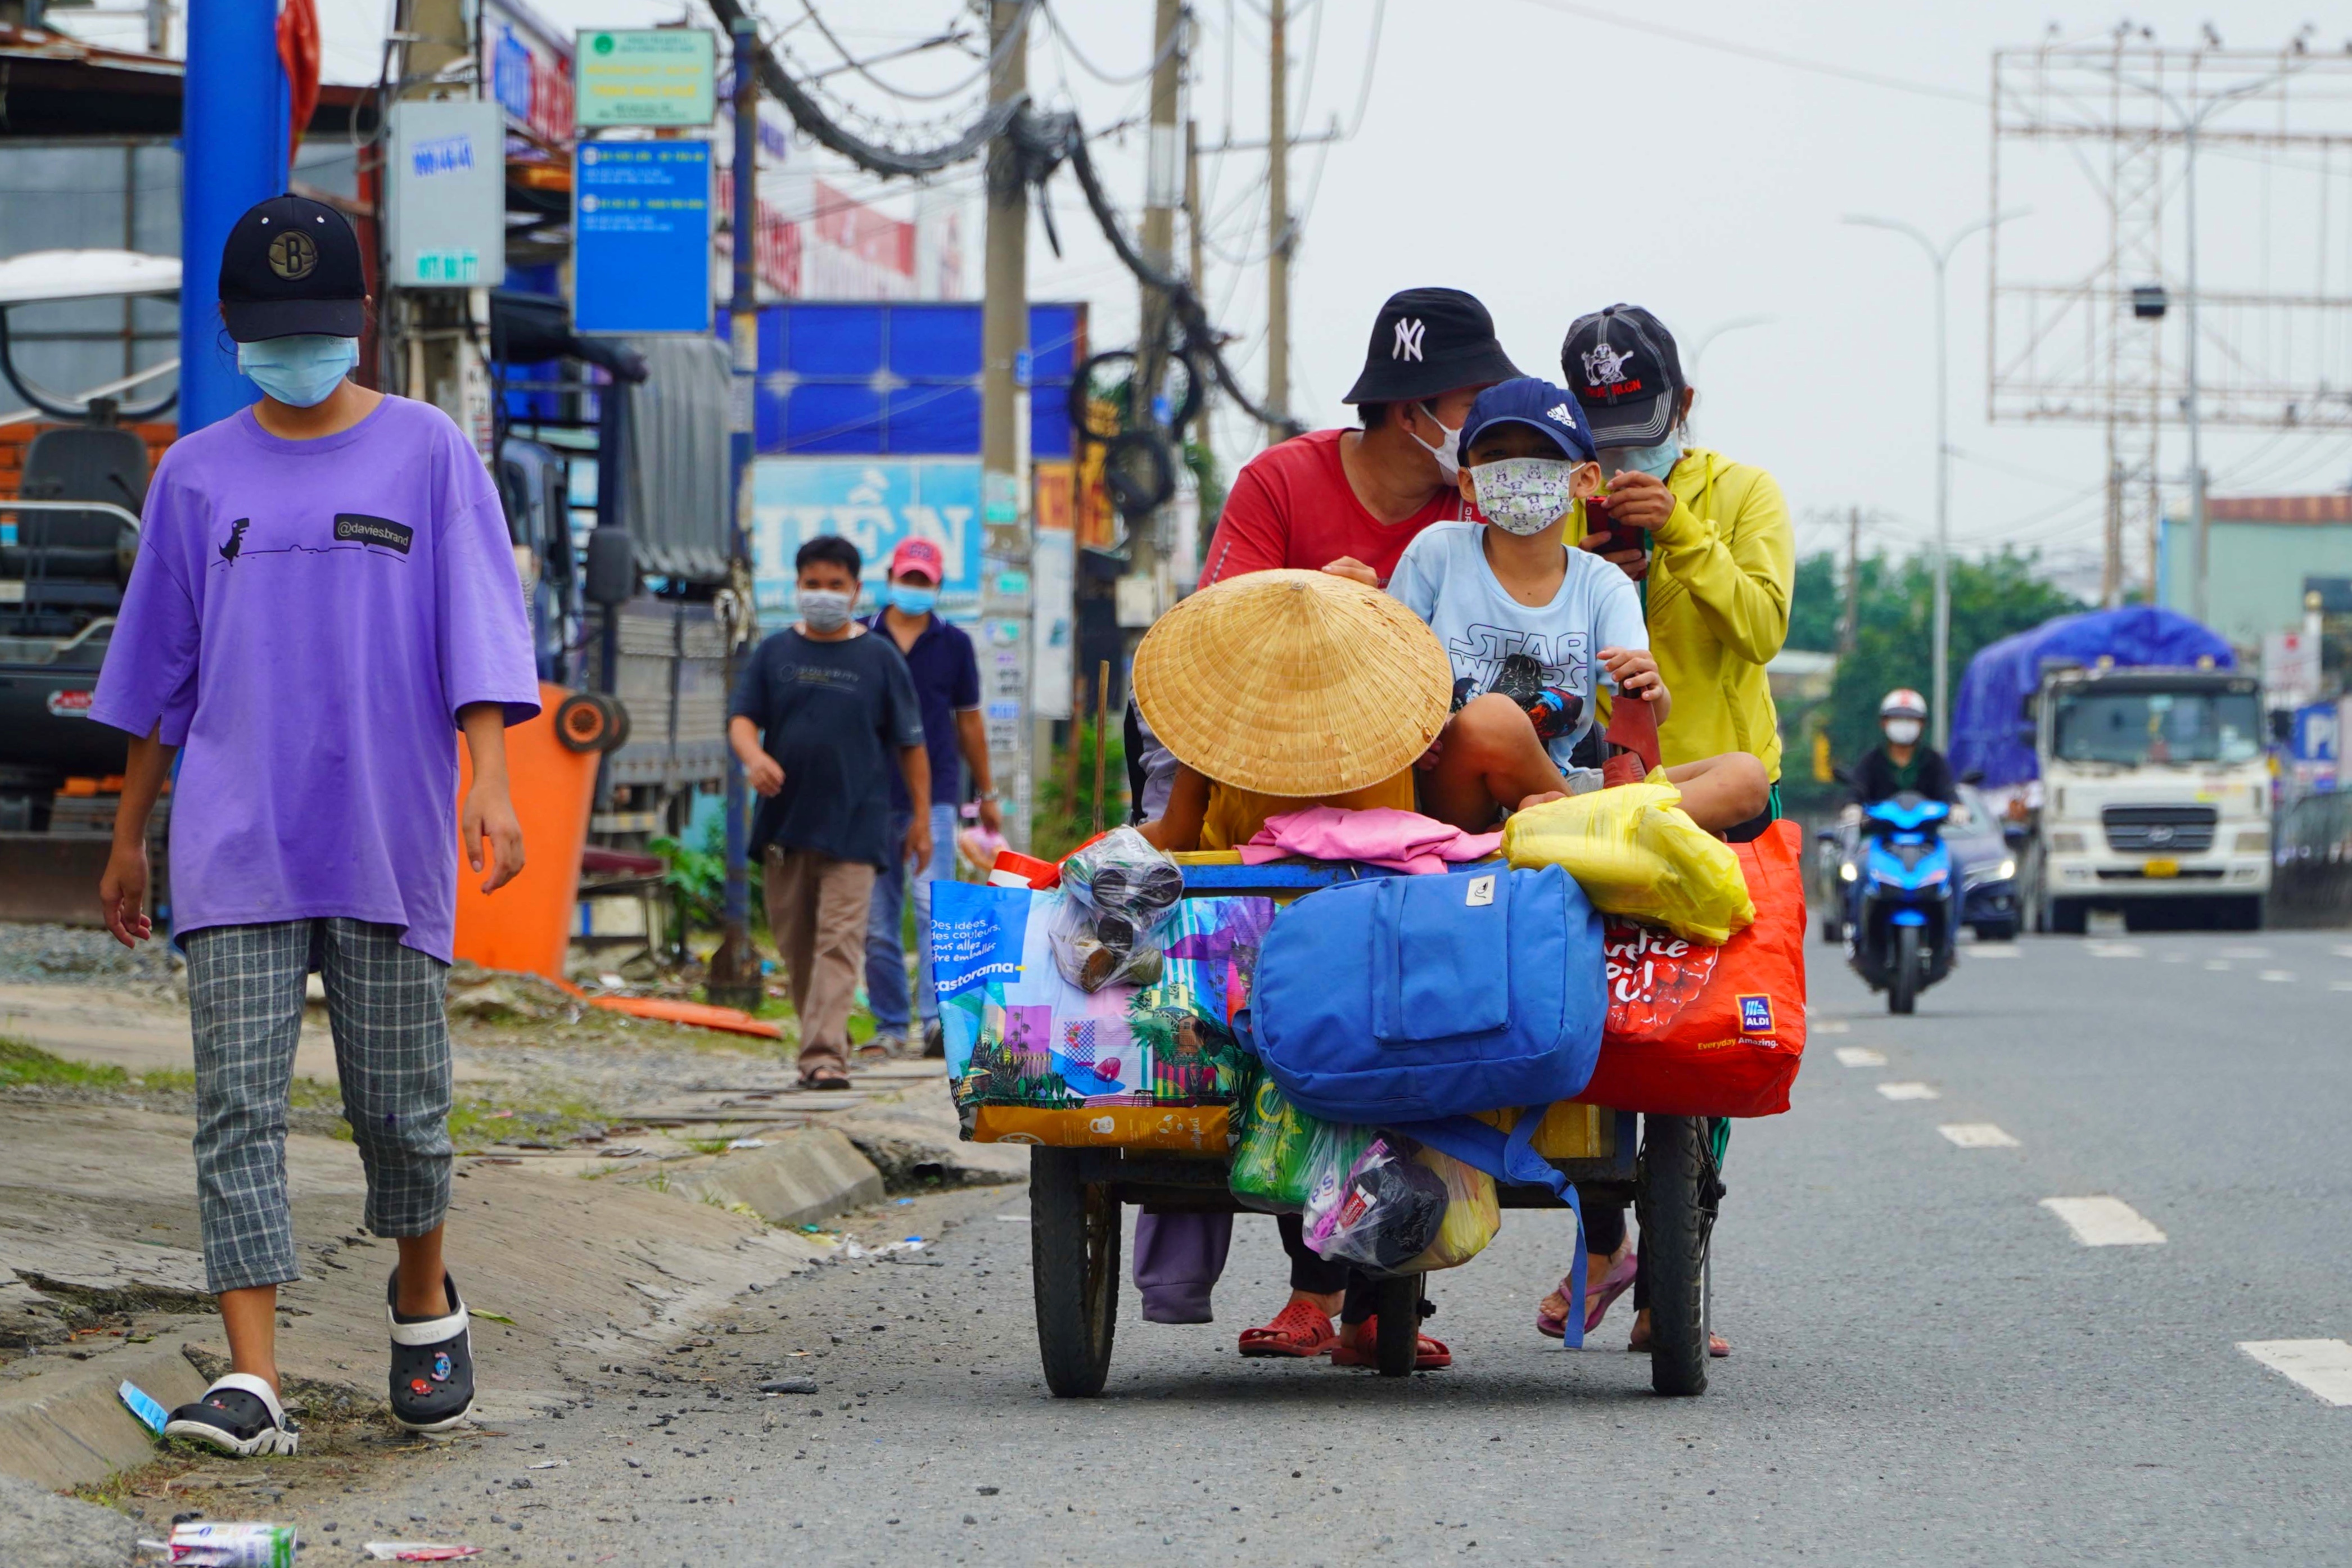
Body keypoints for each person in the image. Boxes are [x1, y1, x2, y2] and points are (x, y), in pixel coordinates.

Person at [89, 194, 538, 1456]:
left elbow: (482, 626)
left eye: (316, 322)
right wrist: (130, 834)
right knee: (235, 1105)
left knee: (400, 1102)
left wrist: (490, 779)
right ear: (235, 327)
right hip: (233, 833)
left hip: (386, 827)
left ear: (359, 321)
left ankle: (420, 1290)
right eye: (269, 325)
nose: (295, 346)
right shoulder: (195, 472)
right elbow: (155, 669)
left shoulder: (429, 453)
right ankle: (252, 1378)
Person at [1544, 304, 1796, 1357]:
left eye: (1640, 426)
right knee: (1575, 1023)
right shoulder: (1561, 498)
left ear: (1681, 407)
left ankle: (1673, 1271)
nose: (1621, 454)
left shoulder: (1740, 493)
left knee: (1704, 1037)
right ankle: (1601, 1238)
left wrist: (1679, 538)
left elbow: (1762, 626)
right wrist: (1600, 568)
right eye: (1602, 435)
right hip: (1592, 793)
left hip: (1721, 796)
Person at [1130, 570, 1459, 1368]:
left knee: (1322, 1073)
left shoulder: (1393, 729)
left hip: (1360, 945)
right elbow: (1175, 829)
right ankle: (1335, 1304)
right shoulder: (1226, 733)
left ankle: (1338, 1303)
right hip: (1245, 947)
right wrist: (1093, 865)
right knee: (1269, 1073)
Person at [1388, 376, 1771, 838]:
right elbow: (1387, 674)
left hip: (1554, 785)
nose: (1519, 470)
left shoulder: (1602, 582)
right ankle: (1602, 834)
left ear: (1586, 478)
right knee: (1494, 717)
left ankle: (1555, 827)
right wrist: (1424, 727)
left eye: (1543, 456)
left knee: (1746, 776)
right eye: (1497, 456)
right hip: (1453, 789)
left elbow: (1650, 709)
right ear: (1468, 482)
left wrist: (1649, 688)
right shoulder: (1437, 554)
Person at [728, 537, 929, 1090]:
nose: (823, 595)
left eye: (835, 585)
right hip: (784, 824)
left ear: (856, 590)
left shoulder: (880, 657)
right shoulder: (774, 654)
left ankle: (822, 1057)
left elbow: (912, 744)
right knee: (796, 947)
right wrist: (754, 757)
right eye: (813, 584)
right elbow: (742, 719)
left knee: (839, 943)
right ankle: (826, 1041)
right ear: (797, 587)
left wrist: (920, 820)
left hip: (857, 825)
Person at [1194, 287, 1522, 593]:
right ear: (1409, 414)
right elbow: (1219, 627)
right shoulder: (1279, 483)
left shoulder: (1494, 495)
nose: (1490, 422)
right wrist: (1339, 616)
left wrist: (1386, 612)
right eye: (1475, 406)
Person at [861, 537, 997, 1060]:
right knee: (877, 917)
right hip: (870, 795)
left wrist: (986, 791)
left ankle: (935, 1022)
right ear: (891, 576)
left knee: (932, 909)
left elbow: (969, 720)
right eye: (907, 578)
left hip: (936, 794)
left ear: (937, 585)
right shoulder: (863, 638)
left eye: (923, 580)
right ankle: (890, 1025)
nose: (914, 588)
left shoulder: (954, 644)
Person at [1851, 689, 1956, 805]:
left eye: (1911, 719)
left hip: (1928, 823)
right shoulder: (1871, 761)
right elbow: (1857, 790)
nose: (1904, 725)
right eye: (1897, 719)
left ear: (1922, 724)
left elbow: (1948, 791)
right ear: (1883, 722)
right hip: (1879, 823)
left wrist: (1957, 807)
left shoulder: (1934, 760)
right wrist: (1853, 807)